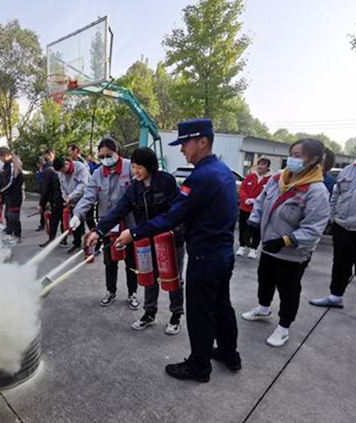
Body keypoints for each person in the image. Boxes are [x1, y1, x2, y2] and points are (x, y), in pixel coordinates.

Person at [110, 119, 240, 383]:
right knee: (222, 305)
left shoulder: (201, 177)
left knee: (200, 313)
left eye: (185, 144)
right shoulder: (223, 171)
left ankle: (199, 367)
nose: (182, 150)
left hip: (205, 256)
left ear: (202, 142)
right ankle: (229, 353)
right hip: (223, 253)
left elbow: (172, 217)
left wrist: (133, 233)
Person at [241, 139, 330, 347]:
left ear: (314, 159)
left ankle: (284, 327)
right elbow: (262, 202)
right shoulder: (277, 179)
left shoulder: (316, 191)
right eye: (292, 153)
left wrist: (286, 241)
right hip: (269, 247)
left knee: (289, 290)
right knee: (265, 280)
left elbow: (314, 228)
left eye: (299, 155)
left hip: (292, 254)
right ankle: (263, 308)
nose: (293, 158)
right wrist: (253, 224)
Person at [87, 147, 184, 333]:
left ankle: (175, 315)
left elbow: (175, 213)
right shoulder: (134, 188)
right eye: (133, 167)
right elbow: (118, 211)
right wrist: (98, 231)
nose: (135, 171)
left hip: (170, 239)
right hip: (146, 238)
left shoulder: (166, 182)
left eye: (139, 167)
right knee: (149, 275)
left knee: (174, 278)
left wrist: (136, 233)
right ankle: (149, 313)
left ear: (150, 166)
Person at [310, 128, 356, 329]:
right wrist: (334, 217)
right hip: (344, 228)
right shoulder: (349, 170)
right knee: (340, 264)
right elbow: (336, 195)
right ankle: (335, 296)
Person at [71, 137, 140, 310]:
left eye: (108, 155)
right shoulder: (98, 173)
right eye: (101, 157)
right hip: (108, 225)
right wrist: (78, 214)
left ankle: (133, 293)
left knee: (131, 261)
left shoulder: (130, 168)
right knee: (110, 261)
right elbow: (89, 196)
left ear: (117, 152)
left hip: (129, 224)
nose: (105, 160)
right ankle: (111, 291)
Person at [53, 156, 90, 254]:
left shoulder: (80, 168)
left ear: (66, 163)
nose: (62, 173)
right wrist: (66, 198)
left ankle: (96, 243)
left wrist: (71, 196)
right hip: (73, 201)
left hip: (87, 199)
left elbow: (84, 185)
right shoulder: (61, 173)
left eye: (63, 170)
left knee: (90, 222)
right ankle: (77, 244)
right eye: (60, 171)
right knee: (75, 223)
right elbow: (62, 187)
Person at [237, 158, 272, 259]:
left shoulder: (270, 179)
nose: (260, 167)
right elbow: (242, 189)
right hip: (245, 208)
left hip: (259, 209)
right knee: (243, 227)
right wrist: (245, 199)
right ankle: (242, 246)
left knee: (256, 230)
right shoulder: (250, 176)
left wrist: (257, 201)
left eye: (263, 165)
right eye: (259, 164)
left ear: (267, 167)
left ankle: (254, 249)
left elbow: (269, 193)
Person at [0, 146, 24, 242]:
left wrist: (0, 191)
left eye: (1, 157)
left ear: (6, 155)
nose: (0, 159)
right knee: (7, 215)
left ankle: (17, 235)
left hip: (15, 195)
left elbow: (11, 182)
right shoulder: (6, 165)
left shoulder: (13, 165)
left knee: (14, 216)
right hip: (8, 195)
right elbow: (4, 180)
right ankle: (9, 232)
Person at [38, 158, 63, 248]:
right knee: (62, 219)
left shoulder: (47, 172)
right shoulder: (52, 170)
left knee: (54, 220)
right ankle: (63, 240)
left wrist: (42, 204)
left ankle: (52, 239)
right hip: (62, 197)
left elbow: (45, 189)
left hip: (57, 198)